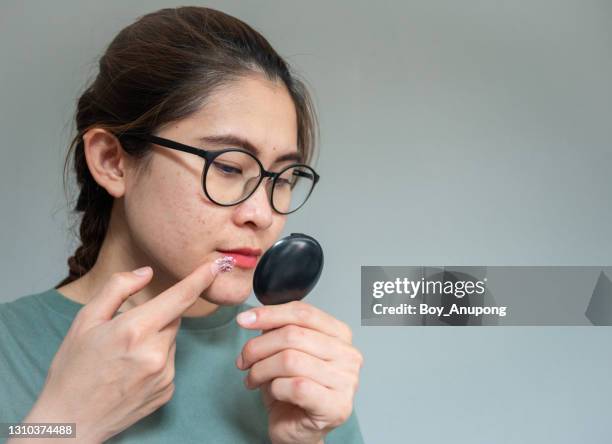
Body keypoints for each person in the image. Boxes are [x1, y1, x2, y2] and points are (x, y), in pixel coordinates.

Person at [0, 6, 364, 443]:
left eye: (283, 179)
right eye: (229, 167)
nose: (263, 215)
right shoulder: (10, 348)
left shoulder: (296, 370)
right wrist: (66, 423)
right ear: (112, 161)